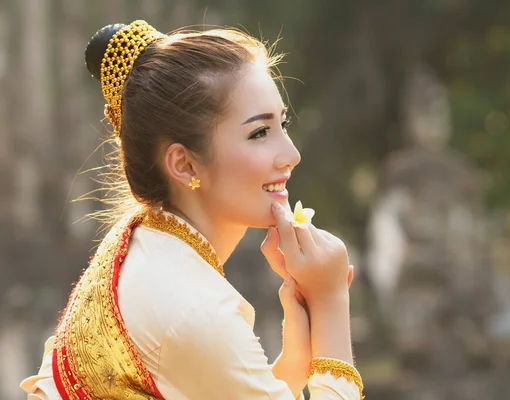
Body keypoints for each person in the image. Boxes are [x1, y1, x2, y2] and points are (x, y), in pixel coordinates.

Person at [19, 20, 363, 399]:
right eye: (259, 133)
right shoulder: (193, 309)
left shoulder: (142, 242)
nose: (292, 156)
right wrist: (331, 303)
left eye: (283, 124)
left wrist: (296, 360)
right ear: (184, 165)